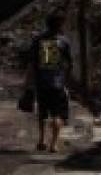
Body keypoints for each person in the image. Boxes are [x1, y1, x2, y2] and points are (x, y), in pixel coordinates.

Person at [26, 11, 73, 153]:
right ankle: (53, 144)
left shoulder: (38, 40)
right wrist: (67, 81)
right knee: (57, 114)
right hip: (57, 83)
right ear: (59, 25)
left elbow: (32, 63)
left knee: (42, 113)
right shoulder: (63, 41)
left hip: (41, 83)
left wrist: (29, 83)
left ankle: (41, 140)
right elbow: (70, 63)